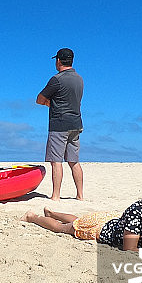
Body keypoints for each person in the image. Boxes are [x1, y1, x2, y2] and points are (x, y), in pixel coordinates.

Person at [21, 171, 142, 261]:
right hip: (103, 230)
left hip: (117, 222)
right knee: (64, 228)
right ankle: (34, 217)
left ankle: (51, 212)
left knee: (78, 219)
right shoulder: (137, 212)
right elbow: (129, 250)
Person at [36, 47, 84, 200]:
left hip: (59, 123)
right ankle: (80, 196)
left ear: (58, 60)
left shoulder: (57, 79)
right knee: (74, 161)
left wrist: (49, 104)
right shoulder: (79, 79)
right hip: (76, 123)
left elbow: (39, 99)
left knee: (56, 161)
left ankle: (55, 196)